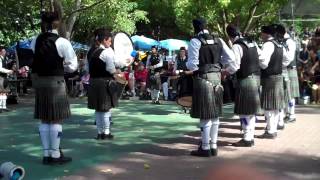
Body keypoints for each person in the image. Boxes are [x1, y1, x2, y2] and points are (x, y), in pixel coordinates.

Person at [30, 12, 78, 165]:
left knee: (45, 118)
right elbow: (73, 66)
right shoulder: (62, 42)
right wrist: (60, 66)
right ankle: (56, 155)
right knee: (56, 118)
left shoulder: (35, 41)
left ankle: (46, 154)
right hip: (55, 82)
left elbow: (36, 59)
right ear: (57, 23)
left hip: (40, 83)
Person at [187, 18, 237, 157]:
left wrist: (193, 69)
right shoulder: (219, 40)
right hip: (217, 78)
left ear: (195, 28)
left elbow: (192, 64)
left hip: (203, 78)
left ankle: (204, 147)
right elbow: (231, 58)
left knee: (205, 115)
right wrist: (220, 66)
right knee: (215, 114)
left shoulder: (195, 41)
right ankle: (214, 146)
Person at [87, 28, 134, 140]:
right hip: (104, 82)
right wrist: (119, 72)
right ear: (104, 40)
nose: (111, 43)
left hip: (93, 82)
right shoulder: (108, 52)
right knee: (106, 109)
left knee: (98, 109)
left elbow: (116, 62)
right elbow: (111, 69)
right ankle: (106, 133)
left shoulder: (92, 52)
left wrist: (126, 61)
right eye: (109, 40)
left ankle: (99, 133)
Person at [226, 24, 261, 147]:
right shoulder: (252, 42)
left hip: (245, 80)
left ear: (229, 36)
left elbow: (235, 66)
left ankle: (247, 138)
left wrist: (225, 71)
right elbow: (261, 58)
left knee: (244, 112)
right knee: (251, 112)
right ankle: (250, 137)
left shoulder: (237, 45)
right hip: (255, 78)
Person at [257, 24, 289, 139]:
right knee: (275, 106)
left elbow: (263, 62)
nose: (261, 35)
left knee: (269, 106)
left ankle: (270, 131)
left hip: (269, 78)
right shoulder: (279, 44)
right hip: (279, 77)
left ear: (266, 33)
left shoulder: (268, 45)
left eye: (262, 33)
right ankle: (273, 130)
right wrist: (278, 66)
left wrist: (260, 65)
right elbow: (287, 59)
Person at [283, 30, 299, 123]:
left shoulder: (289, 42)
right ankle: (289, 114)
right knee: (288, 94)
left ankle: (292, 115)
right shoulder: (287, 41)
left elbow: (290, 58)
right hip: (288, 69)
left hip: (290, 69)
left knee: (290, 94)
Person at [0, 46, 14, 113]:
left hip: (4, 77)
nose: (5, 52)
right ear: (0, 52)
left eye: (5, 51)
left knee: (4, 92)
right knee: (1, 92)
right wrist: (8, 71)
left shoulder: (5, 58)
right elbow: (0, 69)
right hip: (0, 78)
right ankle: (0, 107)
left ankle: (4, 107)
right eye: (3, 51)